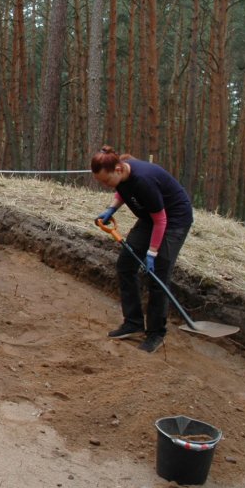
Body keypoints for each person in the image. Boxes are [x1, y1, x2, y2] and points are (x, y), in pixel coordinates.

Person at [92, 145, 194, 353]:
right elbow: (122, 191)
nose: (104, 185)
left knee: (158, 273)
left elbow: (161, 220)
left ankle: (156, 333)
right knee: (125, 265)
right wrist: (111, 209)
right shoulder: (122, 175)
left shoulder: (144, 180)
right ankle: (133, 323)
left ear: (118, 170)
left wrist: (152, 252)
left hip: (173, 220)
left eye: (105, 180)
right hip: (150, 218)